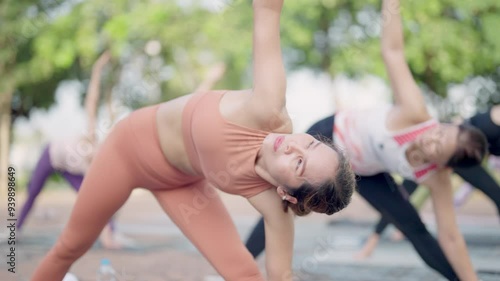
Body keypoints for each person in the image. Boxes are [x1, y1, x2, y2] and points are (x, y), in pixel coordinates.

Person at [31, 1, 357, 280]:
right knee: (70, 247)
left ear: (287, 192)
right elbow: (267, 8)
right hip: (126, 151)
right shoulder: (268, 108)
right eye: (310, 143)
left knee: (245, 274)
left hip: (180, 186)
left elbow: (281, 275)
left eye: (299, 163)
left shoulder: (274, 205)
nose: (293, 145)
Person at [245, 0, 487, 280]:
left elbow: (451, 235)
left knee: (413, 226)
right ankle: (239, 269)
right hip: (329, 140)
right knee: (284, 201)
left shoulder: (437, 178)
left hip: (364, 170)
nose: (431, 138)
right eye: (440, 131)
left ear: (444, 165)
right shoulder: (415, 113)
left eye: (438, 147)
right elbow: (393, 52)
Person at [16, 51, 130, 249]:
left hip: (68, 170)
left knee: (93, 200)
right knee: (33, 192)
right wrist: (98, 69)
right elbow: (91, 101)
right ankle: (15, 229)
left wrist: (109, 232)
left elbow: (105, 201)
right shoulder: (92, 137)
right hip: (50, 155)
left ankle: (110, 235)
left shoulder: (96, 170)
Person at [357, 106, 500, 259]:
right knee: (404, 193)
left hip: (462, 160)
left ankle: (374, 240)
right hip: (447, 151)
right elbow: (461, 124)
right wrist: (443, 136)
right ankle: (373, 239)